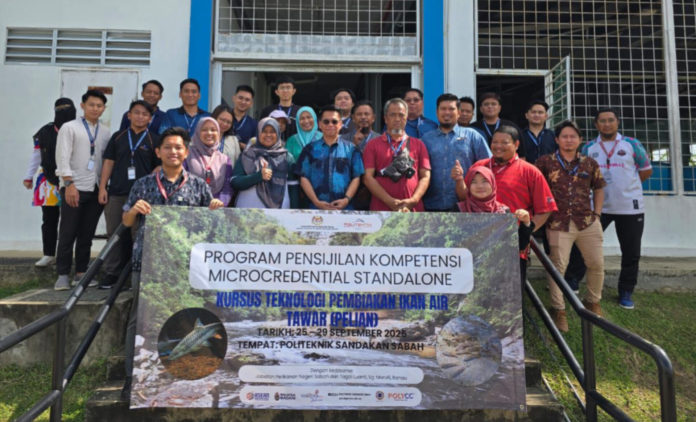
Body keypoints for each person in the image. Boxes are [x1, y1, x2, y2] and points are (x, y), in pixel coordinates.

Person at [120, 127, 224, 400]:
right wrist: (134, 210)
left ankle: (176, 375)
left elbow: (209, 223)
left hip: (183, 265)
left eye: (178, 147)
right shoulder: (143, 184)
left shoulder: (198, 185)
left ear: (186, 152)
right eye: (167, 147)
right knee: (139, 319)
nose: (173, 152)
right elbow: (126, 221)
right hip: (147, 262)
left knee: (182, 319)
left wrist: (214, 208)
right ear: (158, 152)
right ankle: (132, 379)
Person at [568, 108, 653, 310]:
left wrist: (627, 188)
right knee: (582, 245)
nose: (607, 124)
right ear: (596, 124)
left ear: (618, 122)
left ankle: (626, 291)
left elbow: (646, 170)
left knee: (631, 251)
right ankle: (573, 281)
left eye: (610, 120)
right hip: (597, 207)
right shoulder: (589, 147)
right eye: (602, 121)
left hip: (629, 207)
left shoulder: (632, 144)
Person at [458, 125, 556, 282]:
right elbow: (465, 198)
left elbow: (545, 209)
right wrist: (458, 180)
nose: (498, 146)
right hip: (478, 244)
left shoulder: (530, 171)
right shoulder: (479, 167)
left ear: (516, 145)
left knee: (510, 291)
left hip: (512, 246)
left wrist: (525, 232)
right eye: (495, 142)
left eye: (504, 142)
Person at [536, 120, 606, 332]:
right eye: (564, 137)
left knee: (596, 263)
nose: (569, 140)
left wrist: (597, 214)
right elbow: (535, 188)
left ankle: (592, 301)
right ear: (557, 140)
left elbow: (599, 188)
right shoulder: (544, 162)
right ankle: (559, 309)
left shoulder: (589, 163)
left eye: (573, 137)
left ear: (580, 140)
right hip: (558, 223)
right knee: (558, 268)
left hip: (586, 222)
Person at [98, 100, 160, 288]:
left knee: (139, 235)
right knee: (114, 233)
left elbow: (159, 166)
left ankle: (137, 274)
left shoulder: (154, 139)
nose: (140, 117)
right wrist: (103, 187)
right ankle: (112, 273)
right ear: (129, 115)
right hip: (117, 193)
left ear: (150, 119)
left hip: (142, 197)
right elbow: (108, 162)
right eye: (137, 113)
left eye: (145, 114)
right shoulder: (118, 137)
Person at [54, 89, 111, 290]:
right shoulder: (69, 128)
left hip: (95, 188)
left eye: (99, 105)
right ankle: (62, 274)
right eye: (91, 105)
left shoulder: (105, 131)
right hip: (74, 186)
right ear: (82, 106)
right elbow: (62, 157)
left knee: (87, 234)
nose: (95, 108)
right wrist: (68, 183)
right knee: (68, 232)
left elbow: (105, 161)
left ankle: (80, 272)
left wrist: (103, 186)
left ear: (104, 108)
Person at [23, 98, 76, 267]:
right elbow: (36, 155)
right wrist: (28, 176)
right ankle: (48, 253)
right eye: (60, 109)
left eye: (68, 109)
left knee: (71, 221)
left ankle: (67, 255)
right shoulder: (45, 132)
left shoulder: (78, 129)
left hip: (72, 180)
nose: (64, 113)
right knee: (49, 219)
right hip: (48, 181)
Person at [421, 93, 491, 212]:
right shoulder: (426, 139)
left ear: (458, 113)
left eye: (451, 109)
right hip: (431, 205)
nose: (447, 112)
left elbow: (488, 168)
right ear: (437, 112)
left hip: (467, 206)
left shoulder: (473, 136)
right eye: (443, 109)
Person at [363, 98, 431, 212]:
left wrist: (414, 199)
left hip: (412, 208)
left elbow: (425, 176)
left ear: (406, 118)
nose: (397, 119)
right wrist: (389, 201)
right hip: (382, 208)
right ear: (385, 118)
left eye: (401, 115)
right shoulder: (372, 145)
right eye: (393, 115)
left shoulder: (418, 144)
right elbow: (367, 178)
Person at [457, 165, 533, 266]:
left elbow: (518, 246)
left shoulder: (503, 212)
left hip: (496, 270)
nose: (480, 186)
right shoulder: (459, 210)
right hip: (465, 268)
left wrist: (526, 223)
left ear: (492, 183)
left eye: (485, 181)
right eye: (474, 182)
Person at [296, 105, 364, 210]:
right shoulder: (309, 149)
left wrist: (346, 200)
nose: (330, 125)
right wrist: (316, 201)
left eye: (334, 122)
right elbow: (303, 177)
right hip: (316, 209)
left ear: (340, 124)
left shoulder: (351, 149)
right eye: (326, 122)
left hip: (345, 208)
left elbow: (356, 177)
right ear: (320, 124)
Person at [232, 118, 294, 208]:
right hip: (248, 210)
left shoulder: (287, 157)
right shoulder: (247, 155)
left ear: (278, 133)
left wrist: (294, 212)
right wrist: (258, 176)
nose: (268, 135)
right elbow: (235, 182)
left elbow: (293, 187)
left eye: (272, 131)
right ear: (258, 132)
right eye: (264, 131)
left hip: (280, 212)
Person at [185, 117, 234, 206]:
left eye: (213, 130)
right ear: (198, 132)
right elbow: (180, 181)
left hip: (216, 208)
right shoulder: (187, 154)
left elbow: (227, 187)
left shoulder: (224, 159)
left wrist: (221, 202)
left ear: (218, 133)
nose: (209, 133)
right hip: (190, 206)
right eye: (204, 130)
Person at [470, 92, 525, 158]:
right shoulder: (472, 128)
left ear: (499, 108)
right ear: (481, 109)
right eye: (486, 104)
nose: (490, 106)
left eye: (493, 104)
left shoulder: (511, 127)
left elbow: (521, 154)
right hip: (480, 163)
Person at [259, 75, 300, 139]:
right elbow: (261, 130)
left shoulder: (300, 111)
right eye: (282, 88)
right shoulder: (267, 111)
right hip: (272, 144)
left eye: (288, 87)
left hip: (294, 144)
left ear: (294, 91)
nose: (285, 90)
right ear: (277, 92)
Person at [521, 100, 557, 165]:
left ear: (546, 116)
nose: (537, 115)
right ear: (526, 115)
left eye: (540, 112)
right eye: (533, 112)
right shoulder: (520, 136)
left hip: (548, 171)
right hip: (526, 170)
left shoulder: (554, 136)